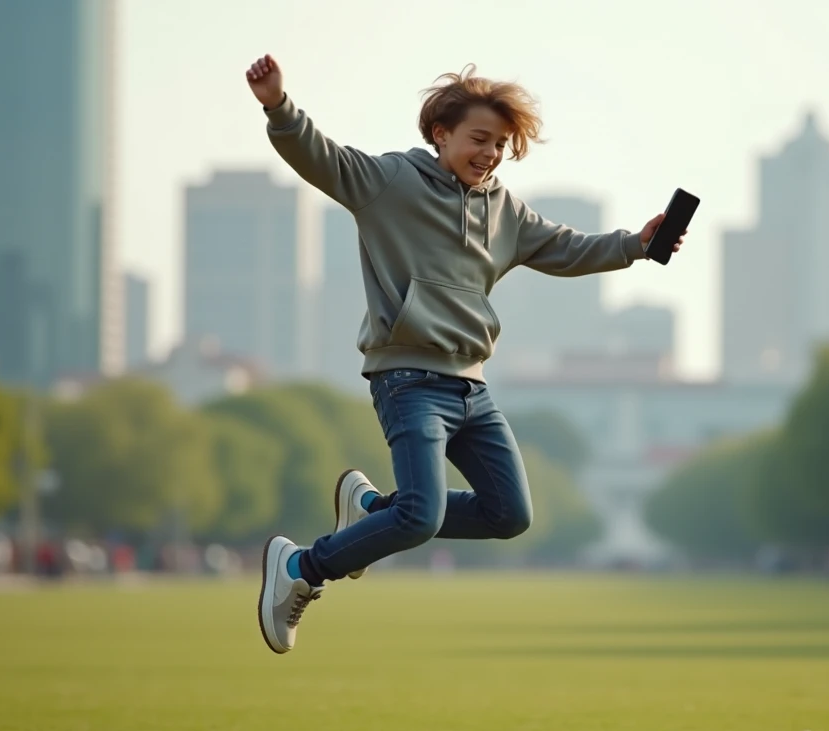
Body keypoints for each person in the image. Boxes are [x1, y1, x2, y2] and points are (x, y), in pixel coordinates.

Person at [245, 54, 688, 654]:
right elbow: (321, 157)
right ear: (441, 133)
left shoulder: (504, 209)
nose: (491, 153)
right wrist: (278, 105)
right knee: (420, 517)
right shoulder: (389, 183)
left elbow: (567, 248)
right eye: (480, 139)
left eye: (501, 144)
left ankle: (371, 507)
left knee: (510, 514)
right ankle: (300, 567)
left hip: (471, 389)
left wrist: (637, 244)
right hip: (407, 379)